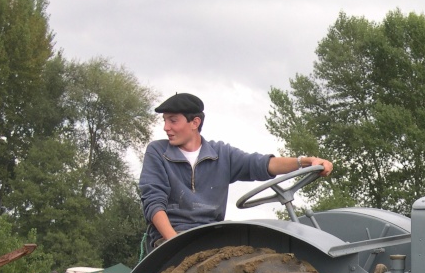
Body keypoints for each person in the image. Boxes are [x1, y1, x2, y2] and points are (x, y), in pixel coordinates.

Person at [139, 93, 333, 251]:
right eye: (165, 121)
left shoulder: (221, 154)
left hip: (212, 234)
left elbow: (263, 164)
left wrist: (304, 162)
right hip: (172, 237)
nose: (166, 128)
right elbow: (154, 202)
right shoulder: (158, 152)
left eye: (173, 121)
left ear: (195, 122)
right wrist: (174, 242)